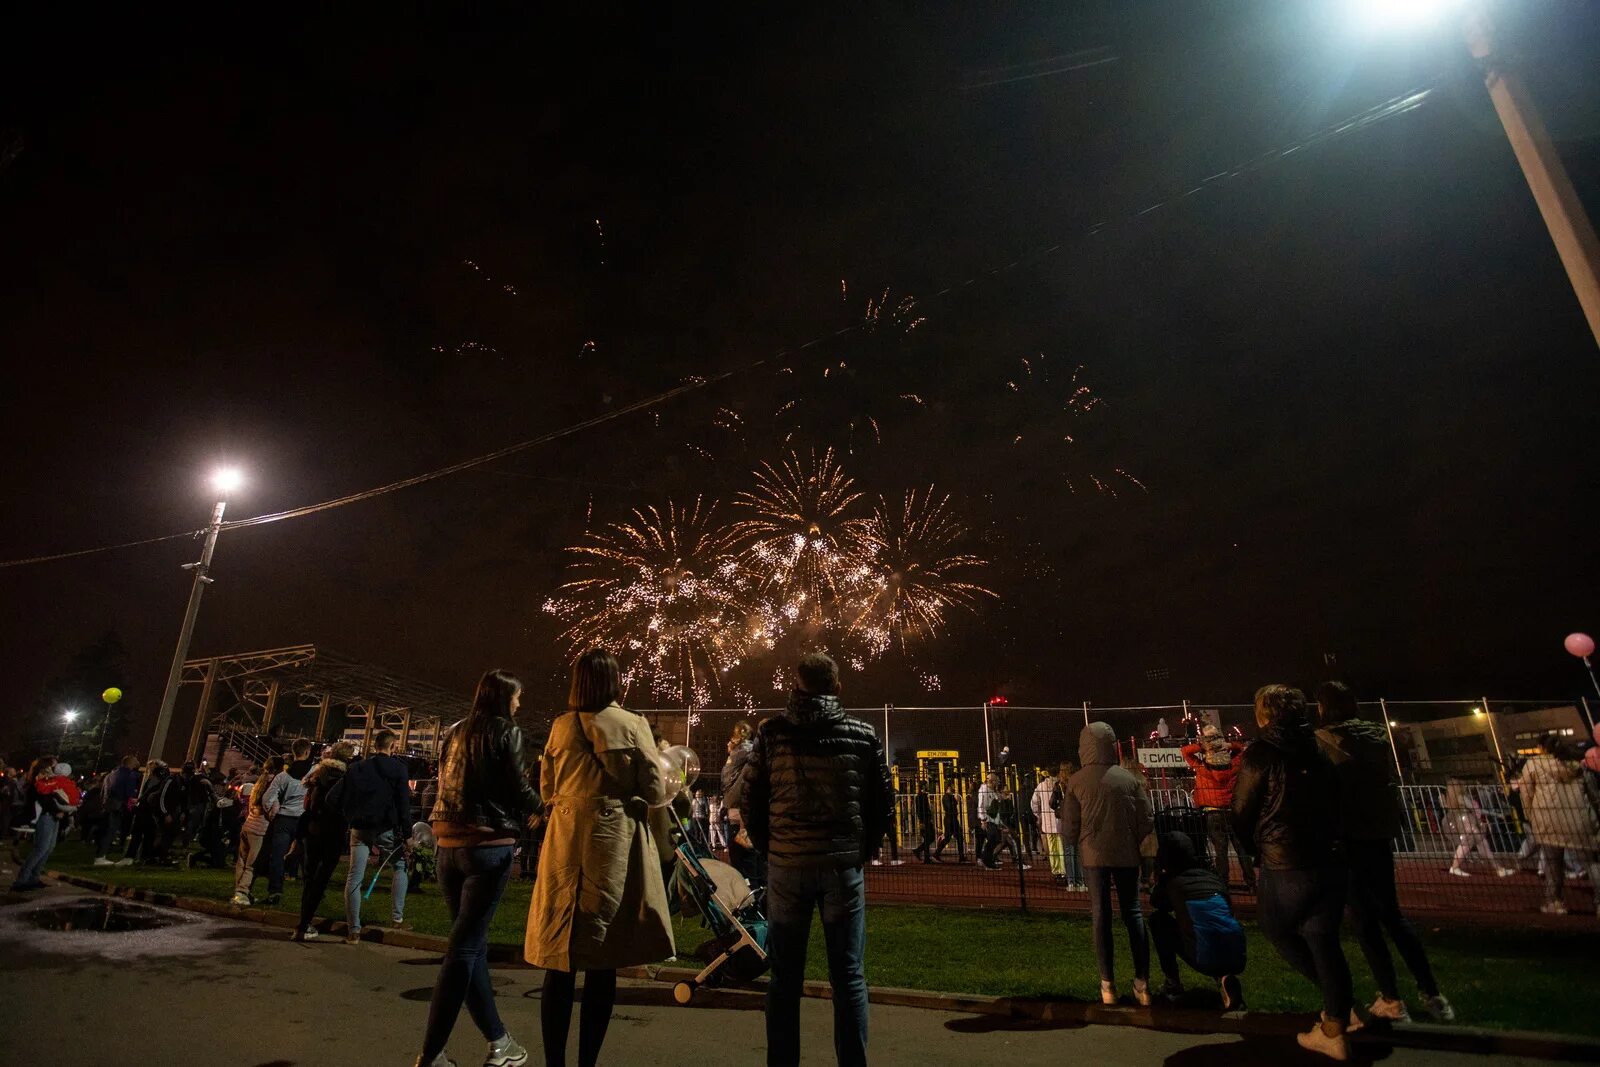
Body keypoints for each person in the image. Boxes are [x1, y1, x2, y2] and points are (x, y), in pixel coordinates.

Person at [733, 652, 892, 1067]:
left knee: (785, 979)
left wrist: (774, 849)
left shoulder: (772, 733)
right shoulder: (863, 734)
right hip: (842, 868)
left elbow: (750, 801)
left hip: (787, 868)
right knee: (849, 977)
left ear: (795, 684)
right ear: (837, 687)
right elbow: (882, 803)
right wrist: (862, 850)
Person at [527, 650, 673, 1067]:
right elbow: (655, 787)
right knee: (604, 954)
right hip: (612, 842)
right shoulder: (632, 723)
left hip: (565, 839)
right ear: (615, 682)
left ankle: (554, 1060)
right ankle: (586, 1061)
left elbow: (547, 788)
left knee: (561, 955)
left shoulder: (560, 726)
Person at [413, 669, 540, 1067]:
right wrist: (542, 808)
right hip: (487, 844)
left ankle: (500, 1042)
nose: (520, 703)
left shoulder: (455, 730)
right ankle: (430, 1055)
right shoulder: (507, 731)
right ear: (503, 697)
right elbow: (517, 788)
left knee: (471, 948)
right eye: (517, 696)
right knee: (463, 949)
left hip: (446, 844)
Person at [1314, 681, 1453, 1024]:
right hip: (1378, 833)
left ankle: (1391, 999)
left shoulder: (1323, 741)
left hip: (1347, 834)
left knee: (1363, 919)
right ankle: (1433, 995)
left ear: (1323, 707)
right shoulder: (1376, 737)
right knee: (1393, 914)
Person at [1234, 684, 1354, 1060]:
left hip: (1284, 861)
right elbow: (1340, 799)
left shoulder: (1262, 753)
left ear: (1264, 714)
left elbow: (1242, 812)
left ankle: (1339, 1010)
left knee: (1277, 929)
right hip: (1329, 858)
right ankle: (1337, 1018)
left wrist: (1255, 849)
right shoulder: (1322, 747)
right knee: (1323, 939)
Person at [1062, 722, 1153, 1006]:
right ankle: (1142, 982)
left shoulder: (1076, 781)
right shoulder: (1128, 779)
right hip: (1127, 855)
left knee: (1101, 915)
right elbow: (1146, 819)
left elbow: (1069, 827)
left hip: (1094, 857)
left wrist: (1076, 840)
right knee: (1134, 913)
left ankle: (1107, 985)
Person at [1148, 830, 1246, 1009]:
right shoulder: (1212, 878)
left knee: (1158, 921)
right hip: (1237, 953)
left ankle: (1172, 984)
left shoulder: (1173, 883)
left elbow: (1156, 902)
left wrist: (1160, 876)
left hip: (1204, 955)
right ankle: (1224, 978)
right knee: (1205, 924)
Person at [1515, 733, 1600, 917]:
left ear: (1542, 748)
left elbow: (1526, 794)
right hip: (1578, 819)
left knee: (1553, 865)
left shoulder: (1534, 764)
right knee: (1592, 862)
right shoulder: (1578, 765)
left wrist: (1531, 816)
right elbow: (1593, 793)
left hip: (1548, 820)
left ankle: (1554, 902)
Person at [343, 729, 415, 941]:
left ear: (375, 745)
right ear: (393, 746)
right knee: (400, 867)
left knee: (354, 876)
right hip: (386, 828)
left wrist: (351, 817)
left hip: (359, 828)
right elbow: (403, 803)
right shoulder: (399, 769)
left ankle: (353, 930)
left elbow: (345, 797)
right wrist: (408, 833)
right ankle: (397, 918)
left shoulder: (357, 768)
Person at [1181, 723, 1255, 893]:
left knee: (1220, 849)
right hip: (1231, 810)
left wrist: (1203, 746)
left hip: (1212, 811)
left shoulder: (1202, 768)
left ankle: (1223, 882)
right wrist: (1229, 745)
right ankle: (1251, 882)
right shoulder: (1234, 766)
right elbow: (1241, 750)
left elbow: (1185, 751)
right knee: (1240, 848)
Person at [292, 742, 353, 941]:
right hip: (333, 831)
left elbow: (307, 802)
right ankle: (305, 921)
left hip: (313, 828)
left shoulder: (317, 774)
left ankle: (303, 923)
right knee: (322, 878)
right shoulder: (345, 778)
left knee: (310, 878)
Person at [251, 747, 308, 904]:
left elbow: (268, 797)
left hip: (283, 818)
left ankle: (275, 890)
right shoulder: (311, 775)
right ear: (307, 752)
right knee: (305, 856)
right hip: (302, 819)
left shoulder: (283, 776)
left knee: (278, 855)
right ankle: (310, 889)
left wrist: (272, 810)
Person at [13, 756, 77, 890]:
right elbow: (46, 800)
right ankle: (22, 879)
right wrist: (58, 810)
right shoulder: (40, 782)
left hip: (53, 816)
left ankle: (34, 877)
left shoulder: (49, 780)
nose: (55, 768)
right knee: (41, 848)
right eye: (53, 765)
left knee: (48, 848)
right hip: (46, 816)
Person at [233, 755, 282, 905]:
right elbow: (272, 806)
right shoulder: (274, 783)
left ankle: (239, 890)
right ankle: (242, 892)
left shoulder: (259, 782)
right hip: (260, 828)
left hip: (248, 824)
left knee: (241, 861)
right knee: (252, 864)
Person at [722, 721, 762, 889]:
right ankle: (754, 897)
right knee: (752, 863)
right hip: (744, 815)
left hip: (734, 813)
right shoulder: (750, 751)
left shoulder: (735, 755)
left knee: (739, 863)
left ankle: (745, 898)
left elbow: (727, 784)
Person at [1445, 780, 1512, 878]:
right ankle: (1455, 867)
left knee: (1479, 845)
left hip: (1463, 824)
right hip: (1469, 825)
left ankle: (1499, 869)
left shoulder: (1453, 799)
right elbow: (1476, 810)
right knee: (1473, 845)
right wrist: (1496, 814)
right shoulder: (1462, 798)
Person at [95, 755, 141, 864]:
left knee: (106, 830)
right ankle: (100, 857)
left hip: (107, 805)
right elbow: (129, 793)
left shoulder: (111, 774)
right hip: (118, 805)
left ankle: (100, 854)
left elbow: (103, 791)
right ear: (131, 763)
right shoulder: (129, 775)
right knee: (111, 830)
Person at [1032, 769, 1063, 879]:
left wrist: (1039, 815)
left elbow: (1034, 803)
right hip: (1059, 820)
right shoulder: (1060, 784)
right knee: (1061, 847)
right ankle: (1063, 870)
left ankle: (1056, 870)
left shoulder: (1041, 786)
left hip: (1047, 821)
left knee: (1052, 848)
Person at [932, 782, 966, 863]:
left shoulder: (949, 797)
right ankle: (936, 854)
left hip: (952, 819)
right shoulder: (946, 797)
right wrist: (955, 800)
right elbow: (950, 807)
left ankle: (961, 857)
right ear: (949, 787)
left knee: (959, 837)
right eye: (952, 786)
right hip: (950, 819)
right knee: (948, 838)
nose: (954, 788)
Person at [975, 773, 998, 869]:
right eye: (996, 781)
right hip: (987, 819)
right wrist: (983, 820)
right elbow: (981, 805)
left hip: (992, 819)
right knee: (993, 838)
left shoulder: (991, 791)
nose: (997, 782)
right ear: (991, 781)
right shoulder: (984, 790)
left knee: (995, 838)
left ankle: (987, 859)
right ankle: (986, 859)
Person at [911, 780, 935, 863]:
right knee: (930, 838)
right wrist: (922, 821)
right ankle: (921, 853)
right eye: (926, 785)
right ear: (924, 786)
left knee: (929, 838)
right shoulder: (920, 797)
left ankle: (922, 854)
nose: (928, 786)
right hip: (925, 820)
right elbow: (919, 810)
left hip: (926, 819)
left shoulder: (923, 796)